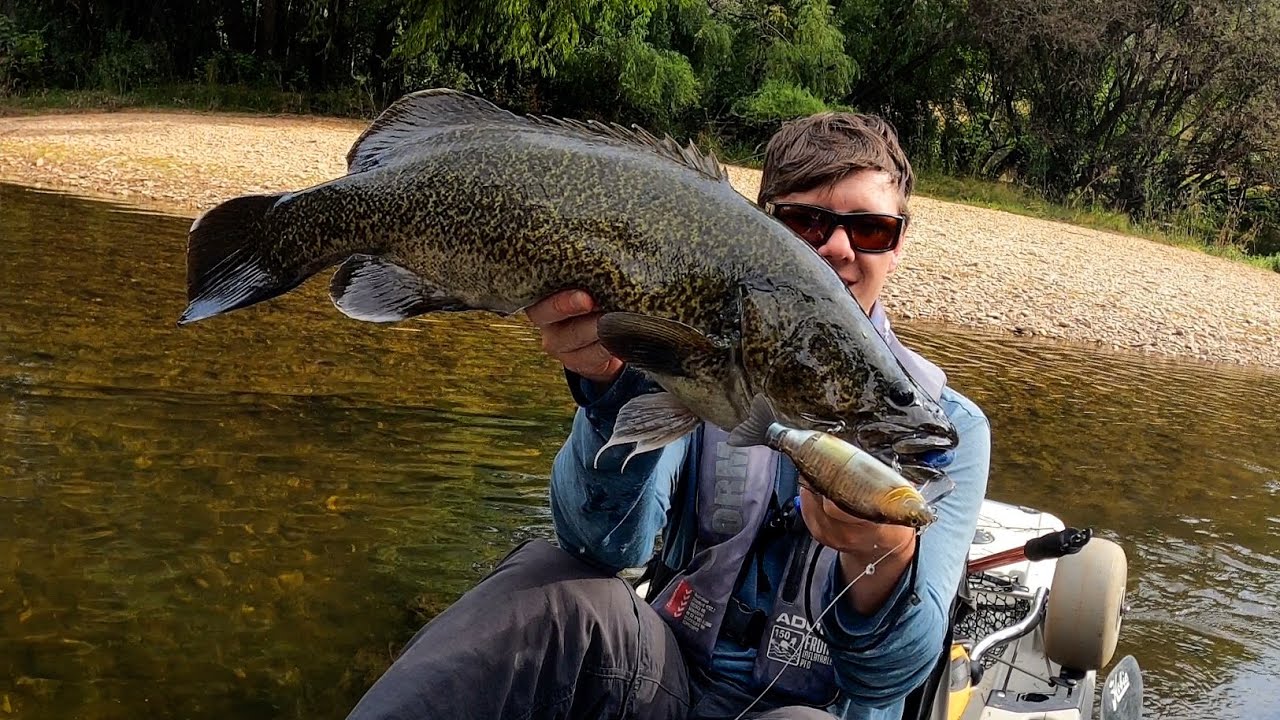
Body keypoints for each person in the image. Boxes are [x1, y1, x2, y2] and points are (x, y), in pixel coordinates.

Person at [344, 113, 990, 720]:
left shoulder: (943, 430)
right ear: (762, 232)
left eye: (871, 230)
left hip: (816, 707)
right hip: (665, 677)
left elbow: (890, 677)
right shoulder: (693, 356)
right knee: (551, 583)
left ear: (899, 245)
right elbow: (601, 546)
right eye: (804, 224)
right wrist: (608, 389)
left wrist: (882, 555)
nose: (839, 249)